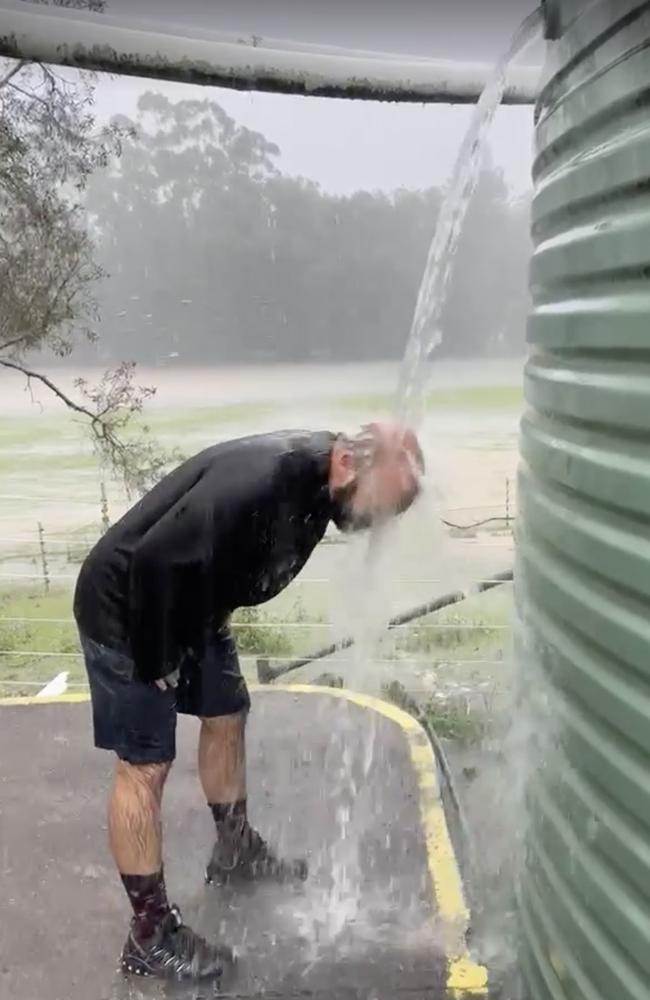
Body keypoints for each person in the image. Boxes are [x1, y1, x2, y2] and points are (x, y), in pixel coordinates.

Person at [73, 421, 424, 982]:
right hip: (130, 608)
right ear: (350, 467)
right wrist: (158, 661)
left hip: (194, 606)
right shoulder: (265, 480)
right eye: (378, 510)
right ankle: (149, 935)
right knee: (145, 765)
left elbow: (224, 554)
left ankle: (234, 849)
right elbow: (156, 560)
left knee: (227, 712)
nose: (370, 526)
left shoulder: (323, 478)